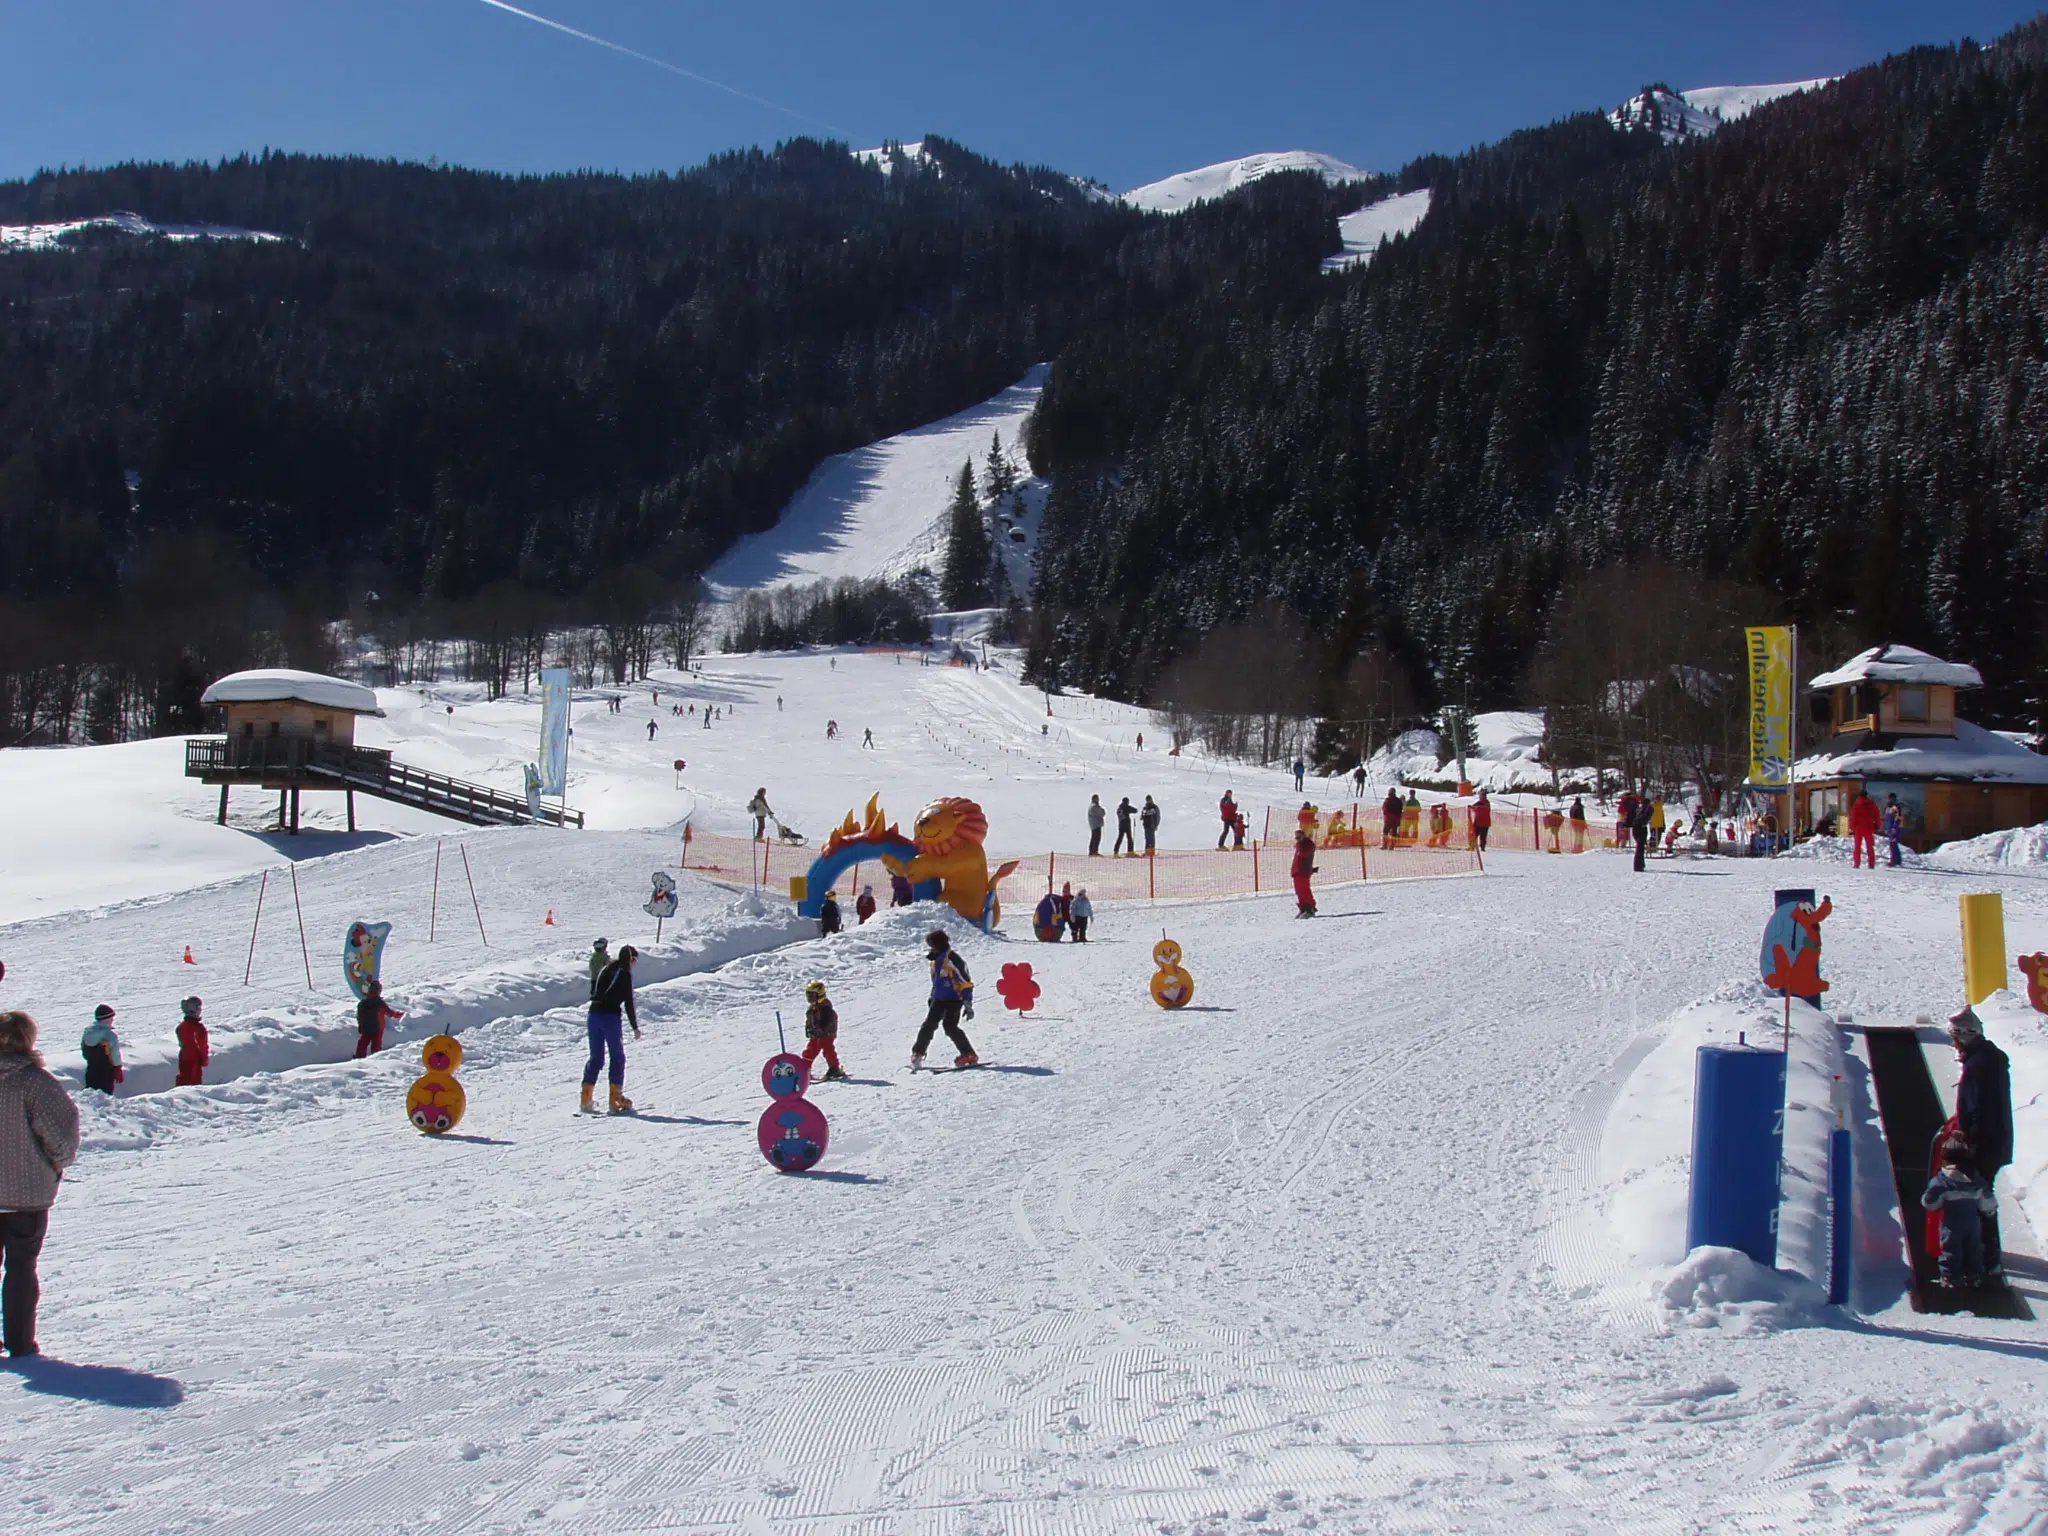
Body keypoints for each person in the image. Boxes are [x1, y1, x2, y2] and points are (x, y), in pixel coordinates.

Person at [0, 1010, 80, 1358]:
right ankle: (20, 1342)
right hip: (26, 1194)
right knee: (20, 1266)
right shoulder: (35, 1082)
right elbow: (61, 1138)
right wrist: (53, 1166)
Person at [1950, 1006, 2013, 1279]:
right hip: (1996, 1141)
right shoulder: (1988, 1060)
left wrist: (1969, 1137)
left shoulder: (1978, 1066)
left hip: (1985, 1143)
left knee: (1980, 1194)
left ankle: (1988, 1256)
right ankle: (1987, 1252)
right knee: (1983, 1191)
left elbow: (1979, 1107)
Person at [1922, 1140, 1998, 1288]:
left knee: (1951, 1249)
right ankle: (1973, 1274)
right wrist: (1989, 1211)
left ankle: (1951, 1277)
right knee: (1973, 1248)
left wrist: (1936, 1206)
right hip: (1973, 1222)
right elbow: (1988, 1201)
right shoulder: (1976, 1181)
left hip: (1951, 1223)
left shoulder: (1942, 1181)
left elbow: (1929, 1202)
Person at [582, 945, 642, 1113]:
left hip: (593, 1015)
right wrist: (635, 1027)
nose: (634, 965)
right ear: (630, 959)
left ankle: (585, 1098)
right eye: (635, 961)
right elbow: (629, 1002)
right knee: (617, 1057)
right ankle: (615, 1099)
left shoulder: (605, 969)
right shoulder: (624, 974)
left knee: (596, 1057)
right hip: (610, 1018)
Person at [913, 930, 977, 1069]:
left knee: (950, 1027)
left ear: (939, 944)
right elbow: (937, 981)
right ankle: (918, 1053)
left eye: (932, 945)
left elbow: (966, 982)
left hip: (954, 1000)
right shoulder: (935, 959)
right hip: (938, 999)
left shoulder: (953, 960)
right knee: (928, 1025)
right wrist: (932, 996)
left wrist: (967, 1003)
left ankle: (969, 1054)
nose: (931, 948)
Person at [801, 981, 847, 1081]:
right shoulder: (812, 1008)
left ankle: (834, 1068)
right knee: (811, 1050)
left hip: (826, 1034)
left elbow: (827, 1021)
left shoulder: (825, 1008)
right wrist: (808, 1029)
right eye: (808, 996)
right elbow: (809, 1020)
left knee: (828, 1050)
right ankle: (804, 1068)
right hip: (816, 1034)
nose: (810, 999)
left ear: (820, 995)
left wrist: (821, 1029)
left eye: (812, 996)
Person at [79, 1005, 122, 1095]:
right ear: (105, 1019)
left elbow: (84, 1052)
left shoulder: (87, 1033)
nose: (112, 1020)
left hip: (91, 1069)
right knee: (105, 1096)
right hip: (106, 1071)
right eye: (111, 1018)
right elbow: (115, 1054)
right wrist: (117, 1067)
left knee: (91, 1094)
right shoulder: (109, 1035)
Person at [355, 978, 402, 1058]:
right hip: (377, 1028)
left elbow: (359, 1016)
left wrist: (360, 1025)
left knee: (362, 1044)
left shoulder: (362, 1003)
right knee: (376, 1045)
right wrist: (400, 1015)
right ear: (378, 991)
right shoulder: (379, 1002)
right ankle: (376, 1059)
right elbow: (390, 1013)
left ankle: (359, 1058)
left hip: (365, 1028)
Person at [175, 997, 208, 1087]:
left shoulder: (181, 1026)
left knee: (184, 1078)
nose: (200, 1011)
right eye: (199, 1009)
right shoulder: (198, 1028)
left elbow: (181, 1041)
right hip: (194, 1058)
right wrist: (204, 1059)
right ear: (193, 1010)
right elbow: (202, 1045)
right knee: (194, 1083)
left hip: (183, 1056)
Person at [1848, 790, 1881, 869]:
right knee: (1870, 847)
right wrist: (1877, 826)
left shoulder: (1857, 804)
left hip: (1858, 828)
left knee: (1857, 847)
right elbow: (1877, 815)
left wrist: (1852, 827)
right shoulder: (1872, 804)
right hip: (1869, 827)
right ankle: (1871, 864)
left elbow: (1853, 817)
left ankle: (1857, 864)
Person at [1291, 828, 1318, 917]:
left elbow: (1305, 854)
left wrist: (1301, 844)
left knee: (1304, 890)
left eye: (1299, 837)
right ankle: (1303, 908)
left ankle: (1310, 907)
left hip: (1304, 871)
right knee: (1298, 891)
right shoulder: (1300, 845)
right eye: (1296, 838)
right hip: (1297, 871)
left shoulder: (1308, 845)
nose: (1298, 840)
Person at [1883, 793, 1906, 867]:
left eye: (1890, 798)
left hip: (1895, 828)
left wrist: (1894, 827)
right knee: (1893, 844)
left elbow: (1898, 817)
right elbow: (1887, 818)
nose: (1889, 800)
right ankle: (1897, 861)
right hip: (1889, 827)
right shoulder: (1888, 808)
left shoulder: (1896, 807)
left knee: (1893, 844)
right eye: (1888, 798)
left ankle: (1894, 861)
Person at [1631, 795, 1651, 873]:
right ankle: (1638, 866)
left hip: (1635, 828)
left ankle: (1641, 864)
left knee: (1640, 847)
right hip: (1641, 828)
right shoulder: (1648, 809)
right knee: (1640, 848)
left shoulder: (1638, 809)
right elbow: (1645, 817)